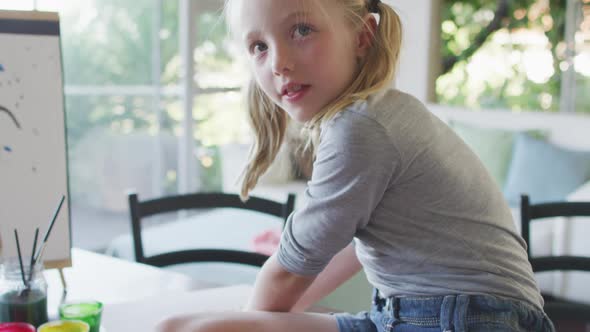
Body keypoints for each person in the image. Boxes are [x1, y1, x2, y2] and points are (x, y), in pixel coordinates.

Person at [157, 0, 555, 331]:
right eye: (259, 46)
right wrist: (270, 316)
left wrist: (255, 321)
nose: (278, 63)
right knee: (183, 325)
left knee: (189, 328)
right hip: (458, 314)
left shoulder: (360, 130)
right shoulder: (382, 113)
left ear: (362, 37)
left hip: (463, 319)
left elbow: (288, 273)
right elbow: (343, 248)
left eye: (301, 31)